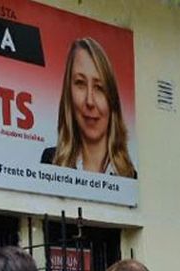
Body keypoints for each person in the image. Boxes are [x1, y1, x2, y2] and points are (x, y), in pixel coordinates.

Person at [40, 38, 136, 178]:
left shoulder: (130, 177)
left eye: (99, 87)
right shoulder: (51, 161)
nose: (90, 101)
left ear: (112, 99)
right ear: (69, 93)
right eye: (80, 83)